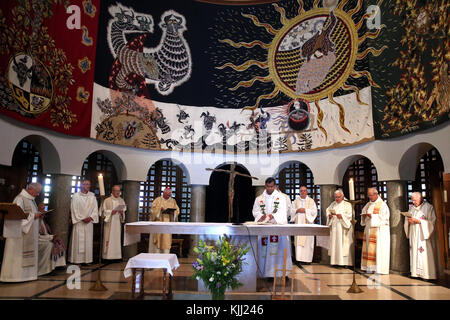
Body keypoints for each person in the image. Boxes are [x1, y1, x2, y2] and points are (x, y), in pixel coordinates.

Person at [0, 183, 43, 282]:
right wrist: (33, 216)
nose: (37, 194)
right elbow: (16, 217)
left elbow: (30, 214)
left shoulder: (31, 200)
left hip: (29, 234)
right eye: (37, 192)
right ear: (30, 189)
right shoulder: (20, 199)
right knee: (17, 256)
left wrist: (38, 216)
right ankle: (14, 277)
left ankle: (27, 276)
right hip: (19, 235)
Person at [252, 177, 292, 278]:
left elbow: (283, 212)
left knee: (280, 250)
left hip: (276, 228)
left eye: (271, 186)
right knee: (265, 251)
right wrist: (261, 216)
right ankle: (266, 273)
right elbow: (255, 211)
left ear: (274, 186)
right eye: (268, 186)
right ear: (265, 186)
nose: (269, 189)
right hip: (264, 229)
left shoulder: (281, 198)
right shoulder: (259, 199)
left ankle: (283, 273)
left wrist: (272, 216)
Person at [404, 192, 437, 280]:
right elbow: (407, 221)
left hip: (423, 235)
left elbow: (432, 222)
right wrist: (408, 221)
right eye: (412, 200)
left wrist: (419, 221)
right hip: (414, 235)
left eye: (414, 200)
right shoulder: (411, 209)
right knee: (414, 252)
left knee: (423, 253)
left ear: (420, 198)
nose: (413, 202)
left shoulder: (428, 207)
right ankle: (415, 273)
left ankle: (427, 274)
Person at [360, 188, 390, 274]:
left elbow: (385, 219)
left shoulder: (383, 205)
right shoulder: (368, 204)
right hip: (369, 229)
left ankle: (377, 268)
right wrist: (364, 216)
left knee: (377, 250)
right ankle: (369, 267)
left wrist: (372, 216)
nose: (369, 197)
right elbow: (363, 212)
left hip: (379, 231)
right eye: (368, 195)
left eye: (371, 195)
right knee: (368, 248)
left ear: (376, 194)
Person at [69, 180, 99, 264]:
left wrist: (91, 217)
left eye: (89, 184)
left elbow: (95, 209)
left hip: (88, 222)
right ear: (81, 185)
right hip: (79, 222)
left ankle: (87, 260)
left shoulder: (92, 196)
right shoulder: (76, 196)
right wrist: (81, 218)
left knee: (87, 242)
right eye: (86, 184)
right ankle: (77, 260)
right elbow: (73, 209)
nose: (88, 186)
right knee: (78, 241)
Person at [326, 189, 354, 267]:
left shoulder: (347, 204)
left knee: (343, 245)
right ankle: (335, 262)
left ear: (342, 196)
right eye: (336, 197)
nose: (337, 199)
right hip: (335, 227)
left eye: (338, 197)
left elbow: (350, 215)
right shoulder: (333, 204)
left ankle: (345, 263)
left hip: (343, 228)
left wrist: (342, 216)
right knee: (335, 244)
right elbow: (328, 211)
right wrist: (329, 215)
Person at [291, 186, 318, 264]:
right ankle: (299, 259)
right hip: (298, 225)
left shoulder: (311, 201)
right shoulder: (295, 201)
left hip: (307, 225)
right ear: (299, 192)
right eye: (301, 191)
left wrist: (305, 210)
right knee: (299, 241)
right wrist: (297, 210)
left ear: (307, 192)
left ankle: (307, 260)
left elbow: (314, 212)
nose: (302, 192)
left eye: (304, 191)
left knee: (308, 242)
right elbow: (291, 211)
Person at [37, 203, 66, 276]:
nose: (43, 211)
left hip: (43, 238)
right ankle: (47, 269)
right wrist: (51, 237)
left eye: (44, 209)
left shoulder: (42, 221)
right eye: (42, 209)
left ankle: (58, 265)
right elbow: (37, 236)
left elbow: (45, 233)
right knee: (50, 245)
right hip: (38, 241)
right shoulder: (36, 221)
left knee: (58, 241)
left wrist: (52, 236)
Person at [149, 187, 180, 254]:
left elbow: (177, 210)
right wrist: (160, 210)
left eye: (169, 194)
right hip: (158, 223)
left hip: (167, 224)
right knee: (158, 240)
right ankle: (156, 255)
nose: (168, 196)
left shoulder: (173, 201)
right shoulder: (157, 200)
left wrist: (173, 213)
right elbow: (152, 211)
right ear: (163, 193)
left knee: (166, 240)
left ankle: (165, 255)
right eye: (167, 194)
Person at [101, 185, 126, 260]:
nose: (118, 192)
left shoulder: (121, 200)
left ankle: (116, 256)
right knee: (108, 238)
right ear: (112, 191)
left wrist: (122, 212)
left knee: (116, 239)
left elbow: (124, 210)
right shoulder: (107, 200)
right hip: (110, 222)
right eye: (116, 191)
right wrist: (111, 212)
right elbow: (103, 211)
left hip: (117, 222)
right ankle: (107, 257)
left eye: (119, 191)